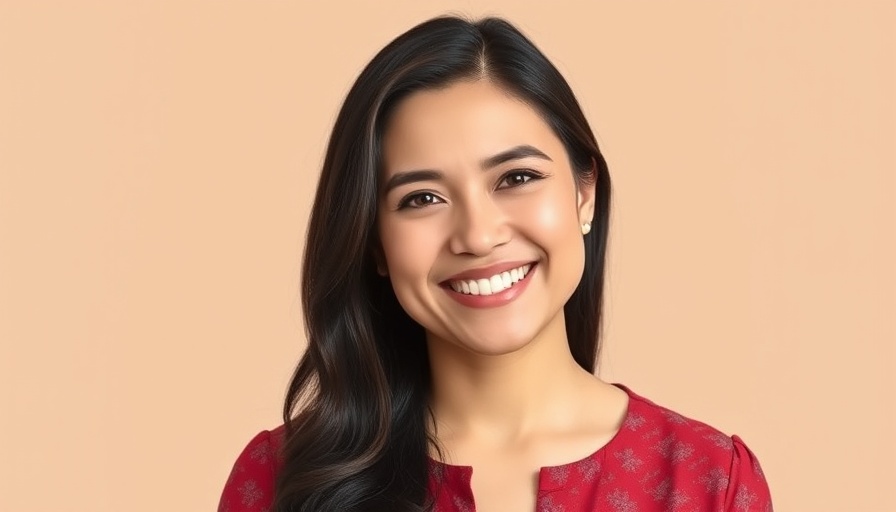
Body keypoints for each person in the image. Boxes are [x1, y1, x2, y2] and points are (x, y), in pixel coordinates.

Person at [217, 15, 772, 512]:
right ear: (374, 244)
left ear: (585, 195)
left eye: (517, 179)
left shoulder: (706, 483)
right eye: (422, 198)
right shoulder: (280, 482)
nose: (479, 236)